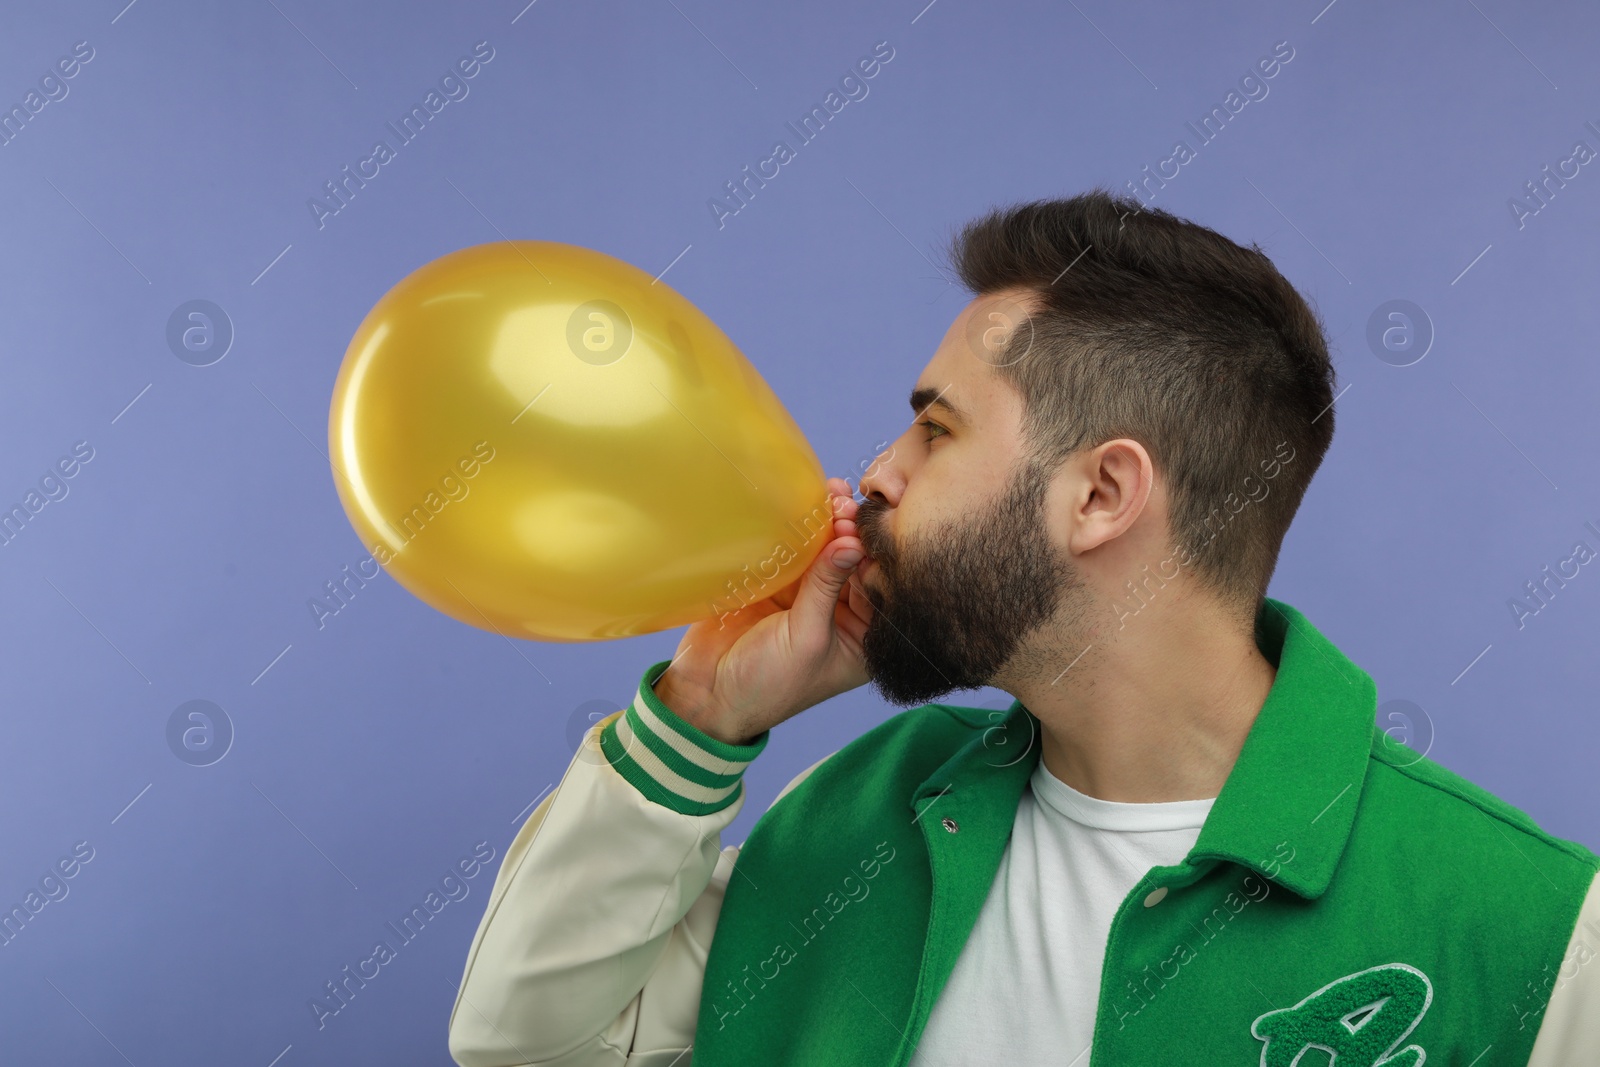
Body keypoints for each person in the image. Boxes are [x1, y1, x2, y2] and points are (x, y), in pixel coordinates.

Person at [447, 190, 1599, 1066]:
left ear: (1100, 494)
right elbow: (527, 1042)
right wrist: (703, 717)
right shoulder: (861, 818)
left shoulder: (1536, 930)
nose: (873, 480)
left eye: (935, 433)